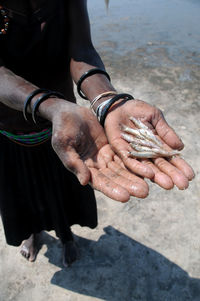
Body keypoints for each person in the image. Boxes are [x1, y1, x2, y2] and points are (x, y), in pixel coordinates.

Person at [0, 0, 194, 267]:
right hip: (12, 131)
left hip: (72, 129)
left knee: (67, 191)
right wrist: (50, 106)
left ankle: (67, 236)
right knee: (25, 195)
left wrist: (108, 101)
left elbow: (81, 50)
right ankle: (33, 234)